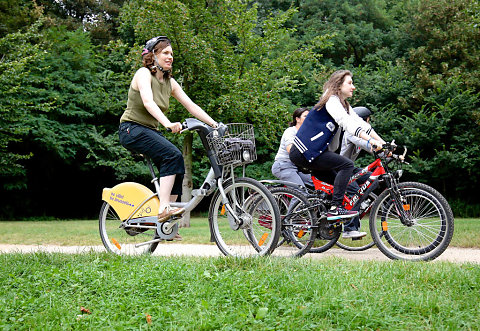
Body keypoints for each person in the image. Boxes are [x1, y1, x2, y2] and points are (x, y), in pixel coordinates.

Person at [118, 36, 218, 228]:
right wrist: (167, 123)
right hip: (132, 128)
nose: (170, 57)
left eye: (171, 53)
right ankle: (164, 207)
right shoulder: (143, 74)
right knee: (171, 155)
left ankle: (167, 222)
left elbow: (191, 106)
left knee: (177, 162)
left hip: (150, 131)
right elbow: (148, 102)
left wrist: (215, 124)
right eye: (165, 52)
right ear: (153, 56)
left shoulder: (169, 83)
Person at [289, 70, 384, 238]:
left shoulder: (344, 105)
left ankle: (327, 220)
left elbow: (360, 123)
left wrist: (383, 143)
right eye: (350, 83)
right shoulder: (332, 101)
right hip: (305, 152)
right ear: (339, 85)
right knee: (347, 165)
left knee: (344, 183)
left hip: (315, 153)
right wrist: (370, 142)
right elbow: (346, 123)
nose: (353, 87)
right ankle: (335, 209)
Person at [271, 107, 313, 188]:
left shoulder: (306, 134)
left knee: (317, 185)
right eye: (305, 116)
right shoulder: (291, 131)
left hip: (297, 167)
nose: (308, 118)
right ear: (297, 119)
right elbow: (291, 150)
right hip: (284, 165)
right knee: (300, 192)